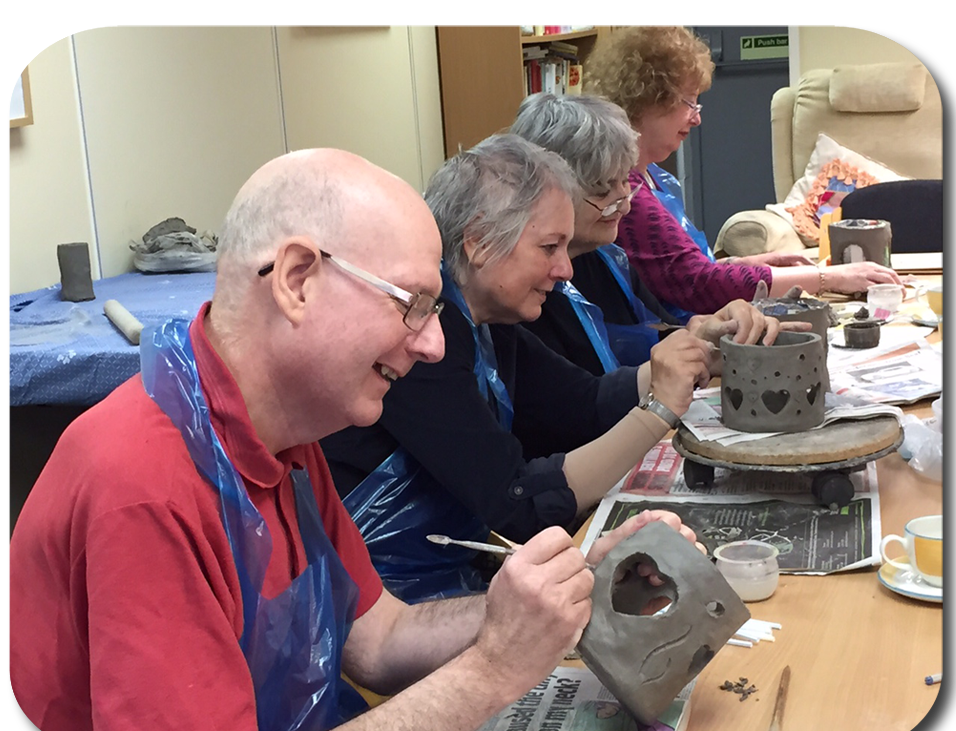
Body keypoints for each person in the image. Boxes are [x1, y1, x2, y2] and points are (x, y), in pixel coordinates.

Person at [8, 148, 701, 731]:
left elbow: (376, 637)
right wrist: (491, 669)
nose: (432, 343)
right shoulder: (144, 484)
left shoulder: (286, 435)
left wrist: (564, 592)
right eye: (413, 305)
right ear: (297, 280)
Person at [320, 134, 786, 603]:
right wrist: (658, 410)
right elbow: (515, 503)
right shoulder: (424, 343)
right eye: (549, 247)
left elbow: (580, 403)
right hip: (389, 600)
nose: (565, 269)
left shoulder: (486, 317)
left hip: (447, 572)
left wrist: (696, 352)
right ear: (479, 243)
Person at [583, 24, 903, 314]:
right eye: (690, 103)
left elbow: (678, 268)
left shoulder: (655, 179)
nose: (697, 118)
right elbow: (698, 284)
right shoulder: (627, 194)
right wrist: (828, 277)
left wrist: (750, 263)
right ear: (649, 99)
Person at [509, 92, 800, 377]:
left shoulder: (607, 258)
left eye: (625, 180)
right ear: (550, 189)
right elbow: (578, 403)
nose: (625, 203)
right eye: (603, 189)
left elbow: (662, 331)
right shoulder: (525, 293)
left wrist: (709, 333)